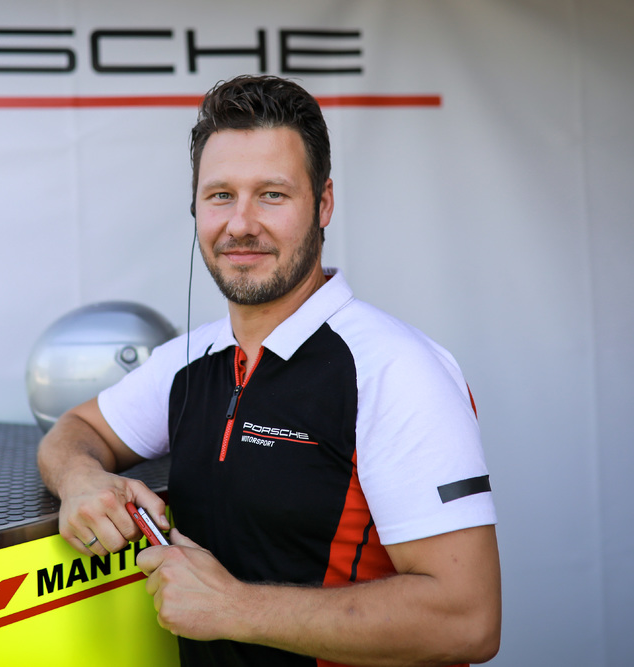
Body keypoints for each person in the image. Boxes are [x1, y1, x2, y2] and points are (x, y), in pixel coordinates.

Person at [37, 75, 501, 667]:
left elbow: (468, 620)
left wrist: (234, 608)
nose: (241, 224)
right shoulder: (189, 361)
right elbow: (78, 429)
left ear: (323, 203)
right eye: (220, 195)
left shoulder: (394, 369)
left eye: (272, 195)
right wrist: (80, 478)